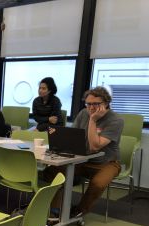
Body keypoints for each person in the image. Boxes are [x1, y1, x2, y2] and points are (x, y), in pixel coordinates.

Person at [44, 86, 123, 217]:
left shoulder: (116, 120)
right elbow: (73, 136)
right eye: (88, 104)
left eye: (96, 104)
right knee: (51, 171)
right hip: (82, 158)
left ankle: (79, 211)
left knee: (98, 183)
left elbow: (95, 146)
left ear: (106, 103)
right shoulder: (83, 113)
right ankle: (55, 209)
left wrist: (93, 120)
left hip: (107, 162)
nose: (91, 108)